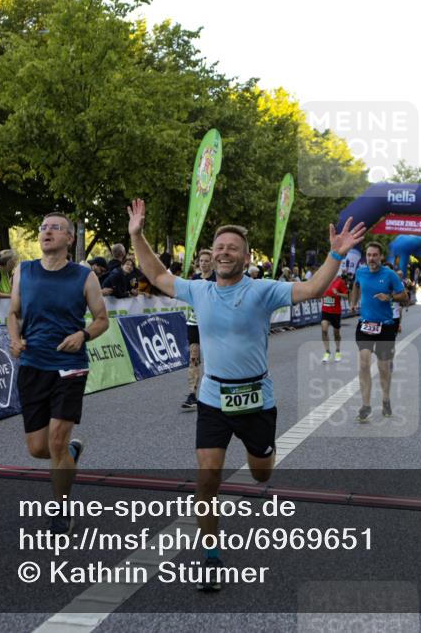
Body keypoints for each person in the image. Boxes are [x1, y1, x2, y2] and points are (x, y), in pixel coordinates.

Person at [127, 198, 364, 591]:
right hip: (213, 398)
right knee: (207, 477)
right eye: (219, 247)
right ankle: (211, 556)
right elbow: (155, 273)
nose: (223, 253)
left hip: (256, 398)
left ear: (245, 256)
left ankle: (265, 454)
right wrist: (137, 235)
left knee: (260, 474)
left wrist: (335, 255)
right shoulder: (199, 290)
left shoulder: (263, 290)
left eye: (232, 248)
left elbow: (313, 287)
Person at [7, 213, 108, 534]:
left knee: (56, 440)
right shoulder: (24, 271)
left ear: (69, 239)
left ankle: (61, 509)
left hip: (70, 365)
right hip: (32, 365)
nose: (47, 232)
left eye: (55, 228)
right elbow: (13, 312)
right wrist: (13, 338)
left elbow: (102, 319)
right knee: (38, 448)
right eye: (43, 228)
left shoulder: (84, 276)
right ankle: (70, 453)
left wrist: (84, 335)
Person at [349, 242, 408, 423]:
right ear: (365, 256)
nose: (371, 258)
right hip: (365, 325)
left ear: (381, 257)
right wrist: (353, 302)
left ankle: (386, 399)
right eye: (369, 255)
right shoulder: (361, 272)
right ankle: (366, 406)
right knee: (364, 363)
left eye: (375, 255)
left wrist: (389, 297)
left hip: (386, 326)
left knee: (383, 368)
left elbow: (404, 296)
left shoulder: (389, 275)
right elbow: (356, 286)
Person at [183, 249, 216, 410]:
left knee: (215, 357)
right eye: (201, 261)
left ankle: (216, 391)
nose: (203, 263)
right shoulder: (195, 279)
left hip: (212, 324)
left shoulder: (217, 279)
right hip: (194, 323)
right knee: (194, 357)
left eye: (206, 261)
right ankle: (192, 394)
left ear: (212, 263)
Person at [320, 272, 349, 363]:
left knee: (336, 333)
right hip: (325, 310)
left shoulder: (339, 282)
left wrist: (337, 293)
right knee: (324, 329)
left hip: (335, 312)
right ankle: (327, 352)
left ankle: (337, 351)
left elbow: (347, 296)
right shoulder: (324, 281)